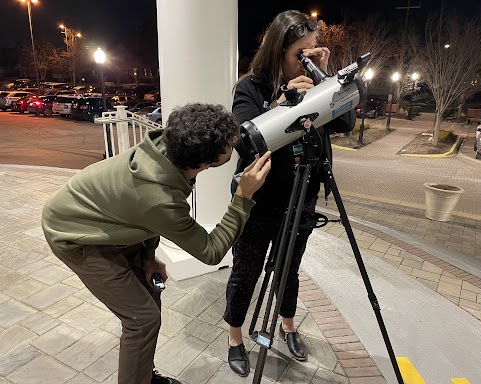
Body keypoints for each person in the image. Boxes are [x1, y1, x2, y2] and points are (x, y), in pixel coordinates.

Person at [41, 103, 271, 384]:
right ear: (202, 164)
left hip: (105, 217)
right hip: (74, 234)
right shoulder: (159, 196)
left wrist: (148, 256)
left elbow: (146, 215)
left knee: (152, 291)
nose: (232, 148)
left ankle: (143, 376)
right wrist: (243, 198)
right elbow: (211, 251)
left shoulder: (167, 146)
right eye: (227, 147)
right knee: (142, 320)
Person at [223, 10, 356, 377]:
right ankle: (235, 337)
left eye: (314, 50)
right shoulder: (251, 86)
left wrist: (326, 80)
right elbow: (244, 139)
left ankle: (288, 325)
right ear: (279, 49)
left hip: (302, 196)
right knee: (246, 270)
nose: (309, 58)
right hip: (259, 197)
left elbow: (345, 121)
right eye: (302, 53)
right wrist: (282, 104)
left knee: (288, 269)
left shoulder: (316, 81)